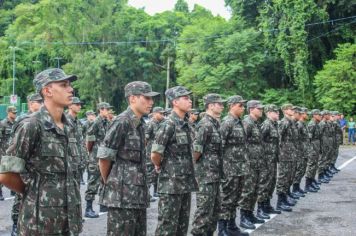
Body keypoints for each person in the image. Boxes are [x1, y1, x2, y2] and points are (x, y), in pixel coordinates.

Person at [0, 68, 82, 235]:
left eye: (70, 85)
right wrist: (32, 191)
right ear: (47, 91)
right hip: (40, 223)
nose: (70, 89)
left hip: (69, 222)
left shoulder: (70, 127)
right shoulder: (31, 125)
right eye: (64, 85)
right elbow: (6, 174)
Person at [97, 81, 159, 236]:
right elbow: (104, 157)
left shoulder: (140, 124)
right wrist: (112, 183)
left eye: (152, 98)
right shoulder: (122, 121)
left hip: (137, 196)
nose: (151, 102)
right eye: (146, 98)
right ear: (132, 98)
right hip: (121, 197)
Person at [151, 86, 198, 236]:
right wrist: (160, 165)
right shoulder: (168, 124)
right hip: (171, 185)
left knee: (182, 226)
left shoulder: (187, 124)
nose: (189, 101)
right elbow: (155, 153)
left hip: (185, 183)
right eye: (185, 98)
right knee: (167, 227)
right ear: (175, 102)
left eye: (189, 98)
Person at [191, 93, 225, 236]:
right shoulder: (205, 124)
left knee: (215, 211)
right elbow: (196, 151)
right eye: (219, 104)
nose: (222, 106)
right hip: (206, 175)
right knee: (204, 212)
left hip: (215, 174)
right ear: (210, 106)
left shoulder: (215, 123)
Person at [10, 93, 43, 236]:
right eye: (38, 101)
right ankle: (15, 224)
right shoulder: (24, 120)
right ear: (30, 103)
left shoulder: (44, 120)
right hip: (22, 165)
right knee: (19, 198)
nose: (41, 104)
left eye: (42, 101)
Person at [218, 95, 249, 236]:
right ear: (231, 106)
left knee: (235, 198)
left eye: (243, 106)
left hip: (240, 167)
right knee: (226, 198)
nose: (242, 108)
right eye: (240, 105)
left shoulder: (239, 122)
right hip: (229, 168)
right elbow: (220, 146)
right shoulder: (227, 122)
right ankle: (222, 229)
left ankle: (231, 226)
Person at [239, 100, 267, 230]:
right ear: (251, 109)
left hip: (257, 162)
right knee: (247, 190)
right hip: (249, 163)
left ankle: (250, 213)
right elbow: (242, 143)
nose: (261, 111)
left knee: (255, 189)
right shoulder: (247, 123)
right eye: (259, 108)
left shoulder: (256, 123)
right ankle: (243, 216)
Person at [85, 102, 111, 217]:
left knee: (104, 180)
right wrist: (91, 151)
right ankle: (88, 208)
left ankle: (103, 205)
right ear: (101, 110)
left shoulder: (107, 122)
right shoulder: (97, 122)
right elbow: (89, 137)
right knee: (93, 182)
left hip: (104, 155)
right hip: (96, 156)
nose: (108, 111)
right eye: (106, 109)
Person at [260, 104, 284, 213]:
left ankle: (267, 205)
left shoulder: (275, 125)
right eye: (275, 111)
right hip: (266, 160)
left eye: (278, 111)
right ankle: (261, 208)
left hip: (273, 159)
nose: (278, 113)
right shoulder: (266, 125)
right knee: (264, 183)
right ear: (268, 113)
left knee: (271, 182)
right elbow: (260, 141)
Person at [276, 104, 298, 211]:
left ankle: (285, 198)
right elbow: (278, 140)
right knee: (283, 178)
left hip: (291, 155)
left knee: (289, 178)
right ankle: (280, 202)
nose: (293, 110)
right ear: (284, 110)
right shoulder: (283, 123)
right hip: (285, 155)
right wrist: (280, 153)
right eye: (291, 109)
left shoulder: (291, 122)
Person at [66, 97, 88, 185]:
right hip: (69, 162)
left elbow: (81, 141)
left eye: (80, 105)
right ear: (70, 106)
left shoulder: (78, 122)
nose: (80, 107)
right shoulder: (64, 121)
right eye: (77, 104)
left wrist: (84, 157)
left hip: (79, 161)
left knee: (76, 189)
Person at [146, 106, 165, 202]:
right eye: (160, 113)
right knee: (149, 173)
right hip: (150, 152)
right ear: (154, 114)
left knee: (155, 174)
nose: (163, 115)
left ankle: (154, 192)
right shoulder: (150, 124)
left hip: (158, 152)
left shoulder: (161, 124)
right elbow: (145, 139)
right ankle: (147, 194)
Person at [0, 105, 17, 200]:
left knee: (13, 172)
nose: (14, 114)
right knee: (2, 173)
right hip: (3, 152)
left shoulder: (16, 123)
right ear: (8, 112)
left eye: (15, 113)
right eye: (13, 112)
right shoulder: (2, 124)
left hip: (12, 152)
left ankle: (13, 190)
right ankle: (0, 193)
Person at [292, 107, 309, 197]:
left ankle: (297, 187)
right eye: (305, 113)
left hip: (304, 150)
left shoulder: (303, 124)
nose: (307, 115)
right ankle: (295, 189)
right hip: (299, 151)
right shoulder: (299, 124)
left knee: (302, 170)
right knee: (298, 170)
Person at [305, 109, 322, 192]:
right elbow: (309, 138)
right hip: (312, 148)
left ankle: (311, 181)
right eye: (318, 115)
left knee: (315, 165)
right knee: (311, 165)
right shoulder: (312, 124)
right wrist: (310, 149)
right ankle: (307, 185)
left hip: (316, 147)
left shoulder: (316, 124)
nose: (320, 116)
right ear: (314, 115)